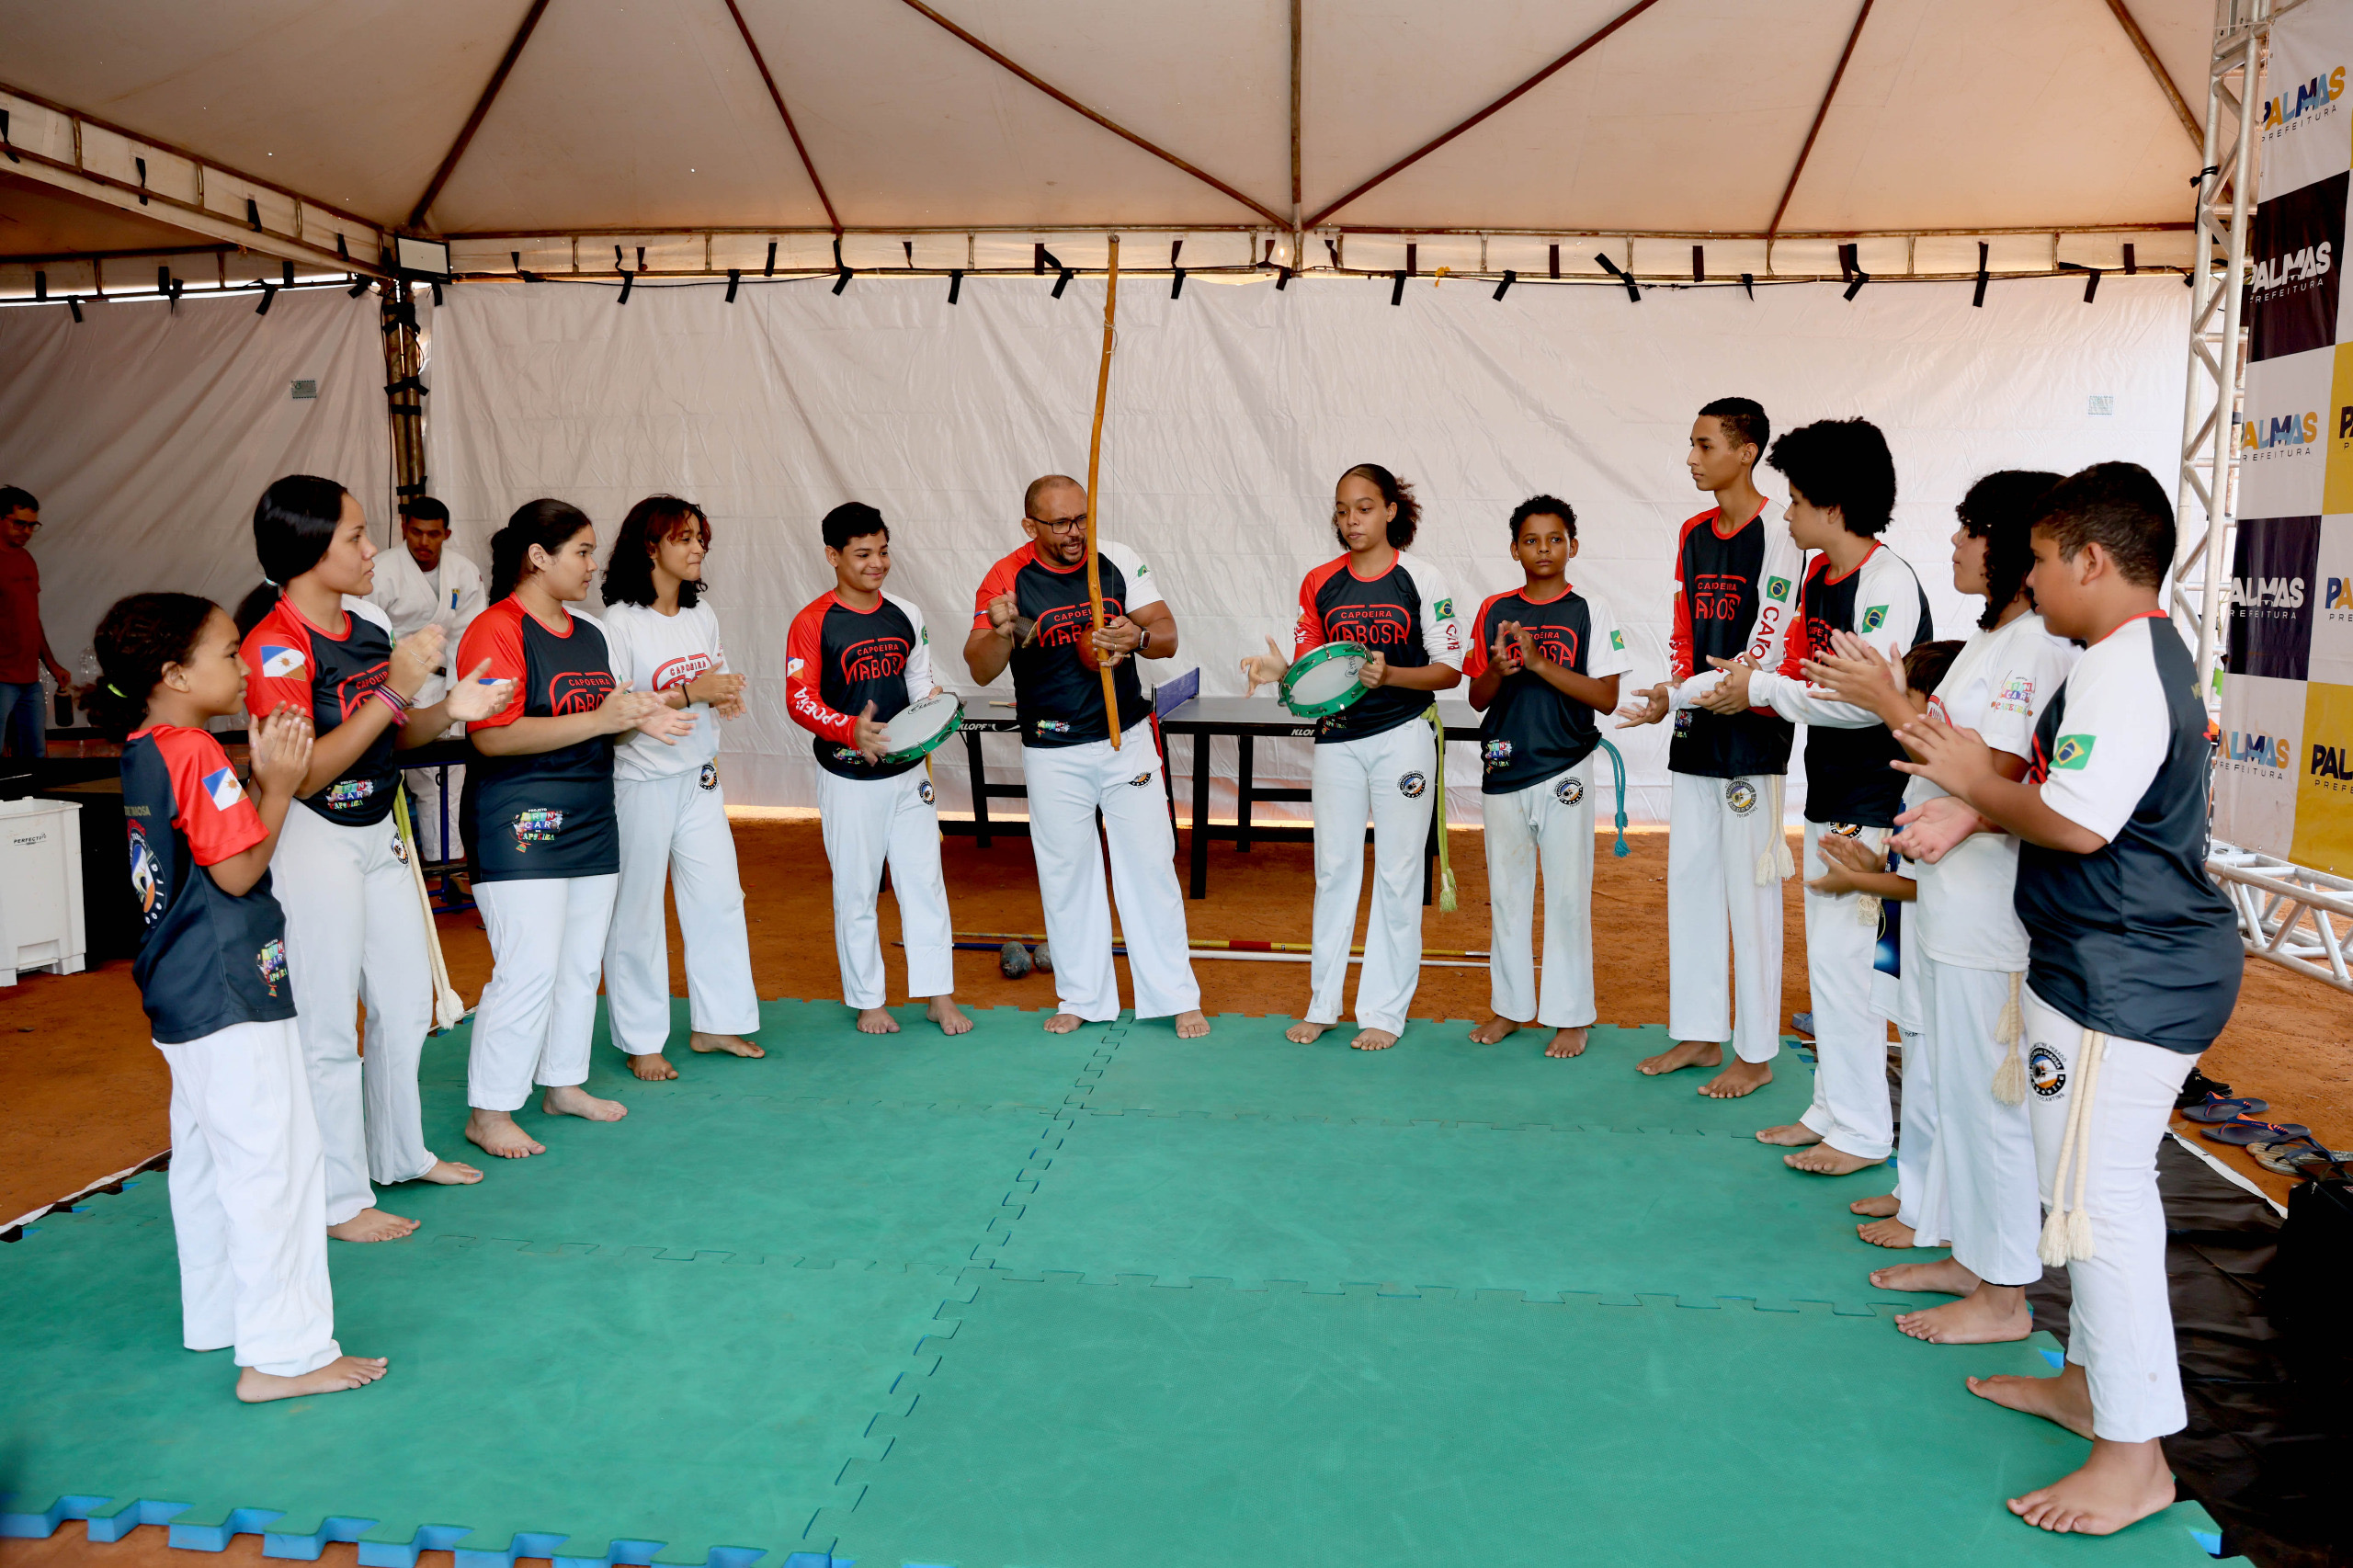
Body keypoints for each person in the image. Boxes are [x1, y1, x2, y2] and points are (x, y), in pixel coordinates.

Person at [1893, 461, 2240, 1535]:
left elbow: (2079, 824)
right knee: (2081, 1196)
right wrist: (1973, 801)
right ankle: (2091, 1386)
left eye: (2042, 560)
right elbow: (2070, 804)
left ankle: (2134, 1458)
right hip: (2099, 960)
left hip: (2123, 973)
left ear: (2090, 558)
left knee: (2100, 1207)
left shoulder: (2124, 669)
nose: (2030, 580)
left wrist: (1962, 774)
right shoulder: (2119, 656)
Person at [86, 590, 386, 1402]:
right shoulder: (193, 752)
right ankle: (283, 1357)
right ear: (175, 674)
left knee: (211, 1160)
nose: (245, 664)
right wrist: (280, 785)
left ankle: (218, 1317)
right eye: (227, 654)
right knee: (275, 1167)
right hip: (227, 988)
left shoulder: (146, 745)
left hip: (180, 988)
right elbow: (238, 870)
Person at [1805, 472, 2076, 1346]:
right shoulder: (1990, 641)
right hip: (1945, 900)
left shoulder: (2036, 645)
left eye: (1971, 531)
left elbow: (1995, 781)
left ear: (2012, 549)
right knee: (1957, 1092)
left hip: (1991, 913)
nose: (1955, 545)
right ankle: (1969, 1256)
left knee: (1990, 1106)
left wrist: (1885, 700)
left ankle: (2004, 1297)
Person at [235, 475, 517, 1241]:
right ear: (305, 550)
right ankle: (337, 1197)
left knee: (403, 1004)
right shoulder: (276, 645)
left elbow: (394, 733)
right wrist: (395, 693)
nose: (371, 551)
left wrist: (446, 710)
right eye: (355, 538)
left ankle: (399, 1154)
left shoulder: (364, 621)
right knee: (328, 1022)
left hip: (379, 832)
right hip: (313, 836)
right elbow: (306, 772)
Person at [1704, 416, 1929, 1176]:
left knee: (1852, 971)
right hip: (1830, 788)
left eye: (1797, 500)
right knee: (1831, 967)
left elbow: (1870, 702)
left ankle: (1864, 1131)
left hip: (1873, 799)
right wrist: (1744, 680)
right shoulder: (1819, 575)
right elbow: (1807, 678)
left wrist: (1761, 688)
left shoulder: (1887, 582)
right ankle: (1832, 1107)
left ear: (1833, 506)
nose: (1787, 513)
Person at [456, 500, 690, 1158]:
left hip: (591, 816)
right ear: (538, 557)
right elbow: (492, 735)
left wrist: (638, 715)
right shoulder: (495, 630)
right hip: (518, 823)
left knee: (579, 963)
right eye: (582, 552)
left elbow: (602, 715)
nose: (593, 564)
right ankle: (491, 1110)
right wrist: (599, 720)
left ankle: (562, 1082)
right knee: (527, 966)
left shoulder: (590, 633)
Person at [965, 474, 1208, 1039]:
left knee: (1149, 867)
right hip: (1051, 747)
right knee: (1066, 874)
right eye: (1060, 524)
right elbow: (980, 666)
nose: (1076, 533)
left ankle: (1174, 995)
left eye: (1083, 519)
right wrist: (1002, 631)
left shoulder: (1115, 559)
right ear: (1030, 526)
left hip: (1127, 740)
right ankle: (1082, 996)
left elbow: (1167, 633)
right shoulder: (1006, 577)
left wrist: (1135, 638)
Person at [1614, 400, 1804, 1098]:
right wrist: (1674, 692)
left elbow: (1773, 631)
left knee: (1751, 893)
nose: (1691, 458)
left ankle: (1755, 1052)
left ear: (1746, 449)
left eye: (1703, 444)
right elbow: (1682, 628)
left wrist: (1737, 686)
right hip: (1697, 726)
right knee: (1690, 882)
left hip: (1752, 727)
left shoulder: (1781, 533)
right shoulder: (1694, 531)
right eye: (1690, 444)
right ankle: (1697, 1032)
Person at [1241, 464, 1464, 1051]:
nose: (1351, 520)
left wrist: (1392, 675)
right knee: (1335, 869)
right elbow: (1312, 676)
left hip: (1404, 736)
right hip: (1339, 741)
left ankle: (1384, 1012)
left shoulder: (1422, 577)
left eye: (1364, 508)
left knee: (1397, 873)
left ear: (1391, 510)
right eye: (1342, 510)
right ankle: (1323, 1004)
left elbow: (1451, 669)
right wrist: (1281, 674)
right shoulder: (1319, 581)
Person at [1804, 639, 1967, 1259]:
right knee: (1921, 1081)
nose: (1900, 718)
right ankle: (1913, 1193)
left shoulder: (1954, 787)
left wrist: (1862, 880)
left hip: (1944, 948)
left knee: (1935, 1086)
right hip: (1914, 948)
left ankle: (1931, 1213)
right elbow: (1912, 875)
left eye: (1909, 701)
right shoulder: (1923, 781)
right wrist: (1870, 863)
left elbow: (1928, 884)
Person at [599, 494, 767, 1079]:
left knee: (719, 898)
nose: (698, 547)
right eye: (684, 537)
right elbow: (615, 709)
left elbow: (710, 677)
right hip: (640, 782)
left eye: (701, 537)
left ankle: (716, 1022)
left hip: (700, 779)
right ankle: (642, 1038)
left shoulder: (702, 615)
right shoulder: (618, 622)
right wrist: (693, 693)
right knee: (637, 911)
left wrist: (725, 692)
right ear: (651, 545)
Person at [789, 501, 971, 1037]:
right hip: (847, 779)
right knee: (856, 890)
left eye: (884, 551)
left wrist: (932, 703)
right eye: (863, 553)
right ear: (833, 556)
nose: (877, 563)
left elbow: (918, 681)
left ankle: (939, 995)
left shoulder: (906, 614)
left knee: (925, 884)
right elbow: (799, 699)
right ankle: (869, 1001)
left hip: (910, 775)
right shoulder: (812, 622)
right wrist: (851, 730)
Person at [1461, 495, 1631, 1059]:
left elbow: (1605, 698)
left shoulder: (1590, 611)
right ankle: (1510, 1007)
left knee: (1564, 895)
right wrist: (1498, 668)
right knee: (1507, 895)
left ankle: (1570, 1015)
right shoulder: (1493, 610)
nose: (1543, 550)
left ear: (1572, 546)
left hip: (1565, 767)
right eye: (1531, 541)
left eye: (1554, 539)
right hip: (1504, 764)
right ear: (1514, 549)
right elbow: (1477, 698)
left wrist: (1538, 664)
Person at [366, 495, 486, 867]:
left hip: (444, 684)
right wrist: (390, 688)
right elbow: (369, 633)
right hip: (392, 685)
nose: (423, 541)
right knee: (416, 780)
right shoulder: (381, 571)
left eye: (433, 533)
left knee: (448, 779)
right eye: (416, 531)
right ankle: (429, 863)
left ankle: (444, 862)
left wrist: (458, 688)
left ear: (446, 534)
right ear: (404, 528)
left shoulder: (463, 572)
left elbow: (469, 633)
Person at [1, 485, 74, 758]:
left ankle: (36, 800)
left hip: (28, 678)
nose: (27, 532)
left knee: (35, 755)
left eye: (33, 526)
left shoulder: (26, 559)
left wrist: (52, 664)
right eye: (20, 524)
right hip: (2, 677)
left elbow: (30, 616)